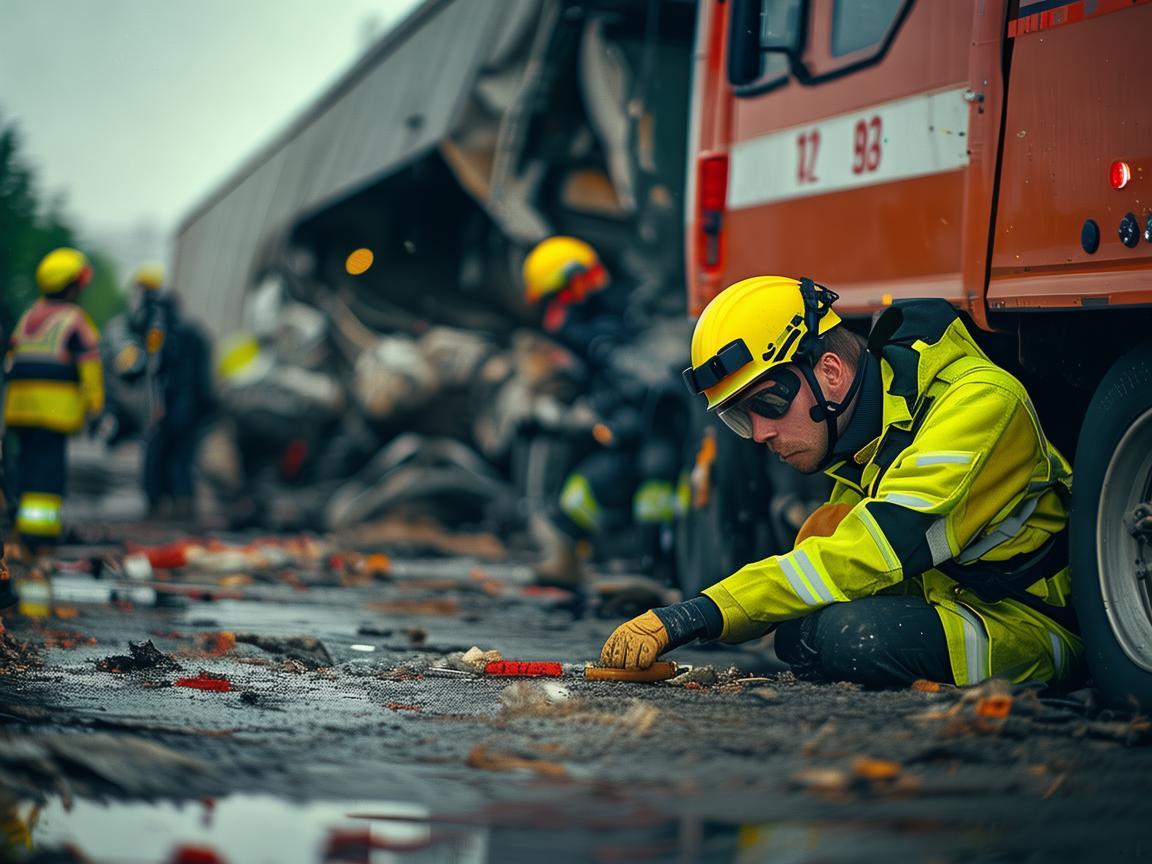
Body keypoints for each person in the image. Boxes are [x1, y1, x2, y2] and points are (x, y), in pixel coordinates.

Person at [600, 275, 1082, 689]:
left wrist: (697, 615)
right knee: (802, 631)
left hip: (1039, 627)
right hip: (965, 606)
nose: (761, 433)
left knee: (847, 636)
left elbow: (870, 551)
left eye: (767, 405)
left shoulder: (977, 403)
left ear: (830, 371)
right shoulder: (874, 435)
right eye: (741, 420)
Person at [520, 236, 680, 592]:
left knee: (656, 484)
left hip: (658, 430)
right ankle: (571, 563)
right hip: (624, 431)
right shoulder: (580, 329)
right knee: (583, 492)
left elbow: (651, 373)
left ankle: (656, 569)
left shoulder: (626, 316)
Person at [2, 247, 104, 557]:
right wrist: (96, 405)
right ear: (72, 285)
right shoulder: (75, 320)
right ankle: (40, 541)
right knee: (47, 477)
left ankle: (21, 532)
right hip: (53, 412)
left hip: (19, 410)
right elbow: (89, 365)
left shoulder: (28, 316)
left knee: (24, 469)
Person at [116, 264, 214, 521]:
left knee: (160, 455)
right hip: (188, 407)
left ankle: (161, 508)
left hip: (172, 406)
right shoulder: (192, 331)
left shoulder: (162, 333)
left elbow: (152, 368)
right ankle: (181, 507)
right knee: (181, 459)